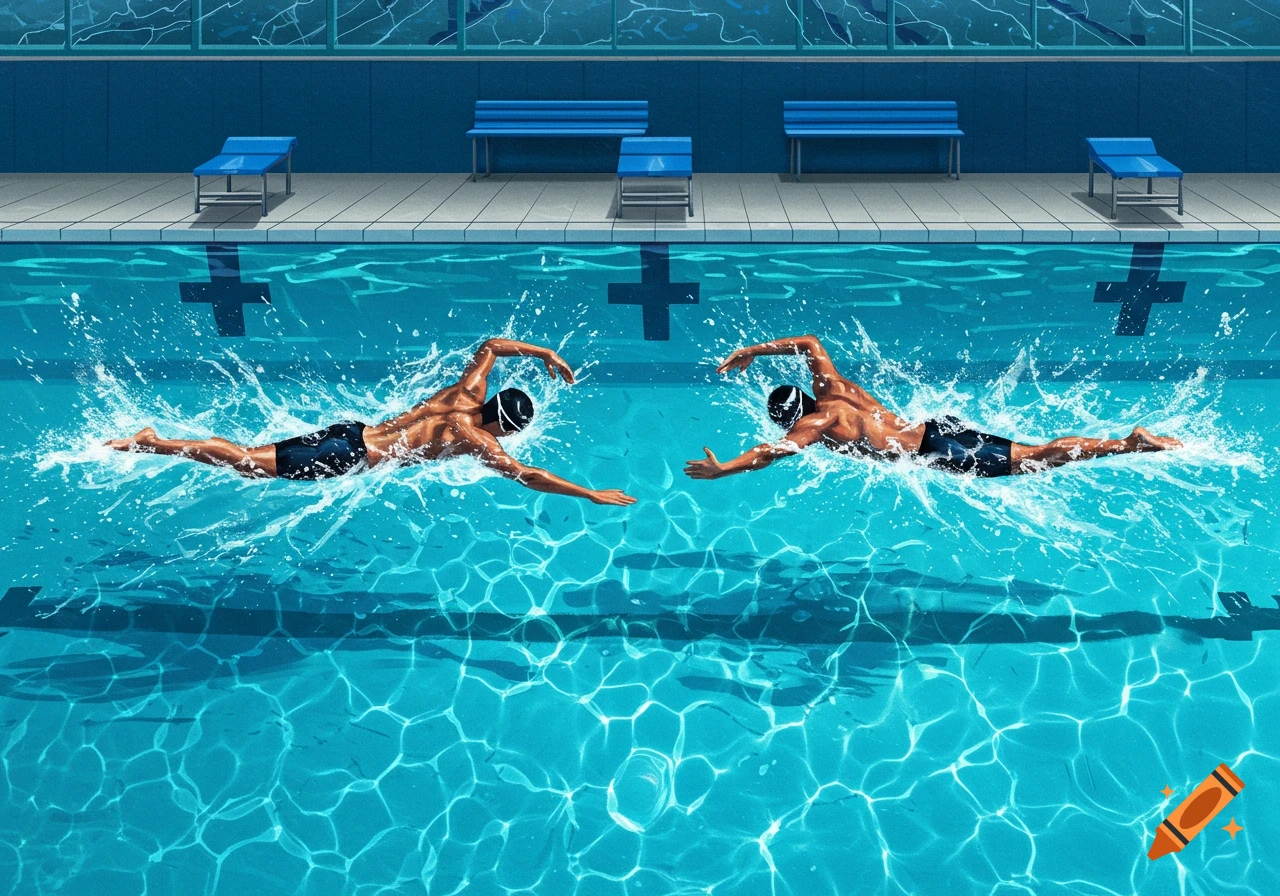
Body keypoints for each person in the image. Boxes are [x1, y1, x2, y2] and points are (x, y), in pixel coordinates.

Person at [107, 338, 636, 505]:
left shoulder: (464, 394)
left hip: (352, 432)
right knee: (249, 463)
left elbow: (493, 345)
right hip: (350, 454)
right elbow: (528, 476)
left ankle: (162, 442)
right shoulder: (472, 438)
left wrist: (545, 353)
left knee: (254, 455)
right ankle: (156, 443)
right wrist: (590, 495)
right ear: (504, 427)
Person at [683, 334, 1181, 481]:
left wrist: (726, 467)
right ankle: (1126, 444)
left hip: (938, 451)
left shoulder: (821, 421)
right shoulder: (833, 389)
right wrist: (753, 351)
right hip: (936, 429)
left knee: (1037, 459)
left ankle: (1127, 445)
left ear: (796, 417)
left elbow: (776, 452)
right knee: (1033, 453)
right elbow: (810, 342)